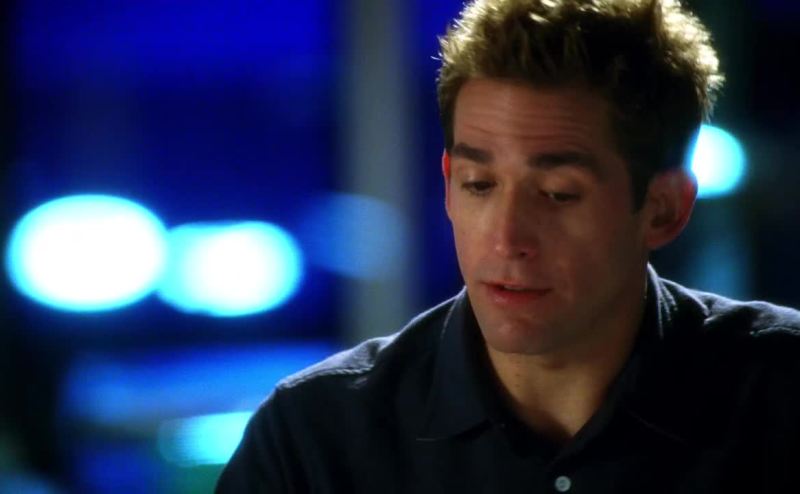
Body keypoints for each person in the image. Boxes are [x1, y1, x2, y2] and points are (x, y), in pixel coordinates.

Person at [217, 0, 800, 492]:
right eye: (479, 185)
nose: (506, 238)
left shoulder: (780, 394)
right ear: (448, 183)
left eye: (557, 193)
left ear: (664, 208)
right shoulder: (317, 439)